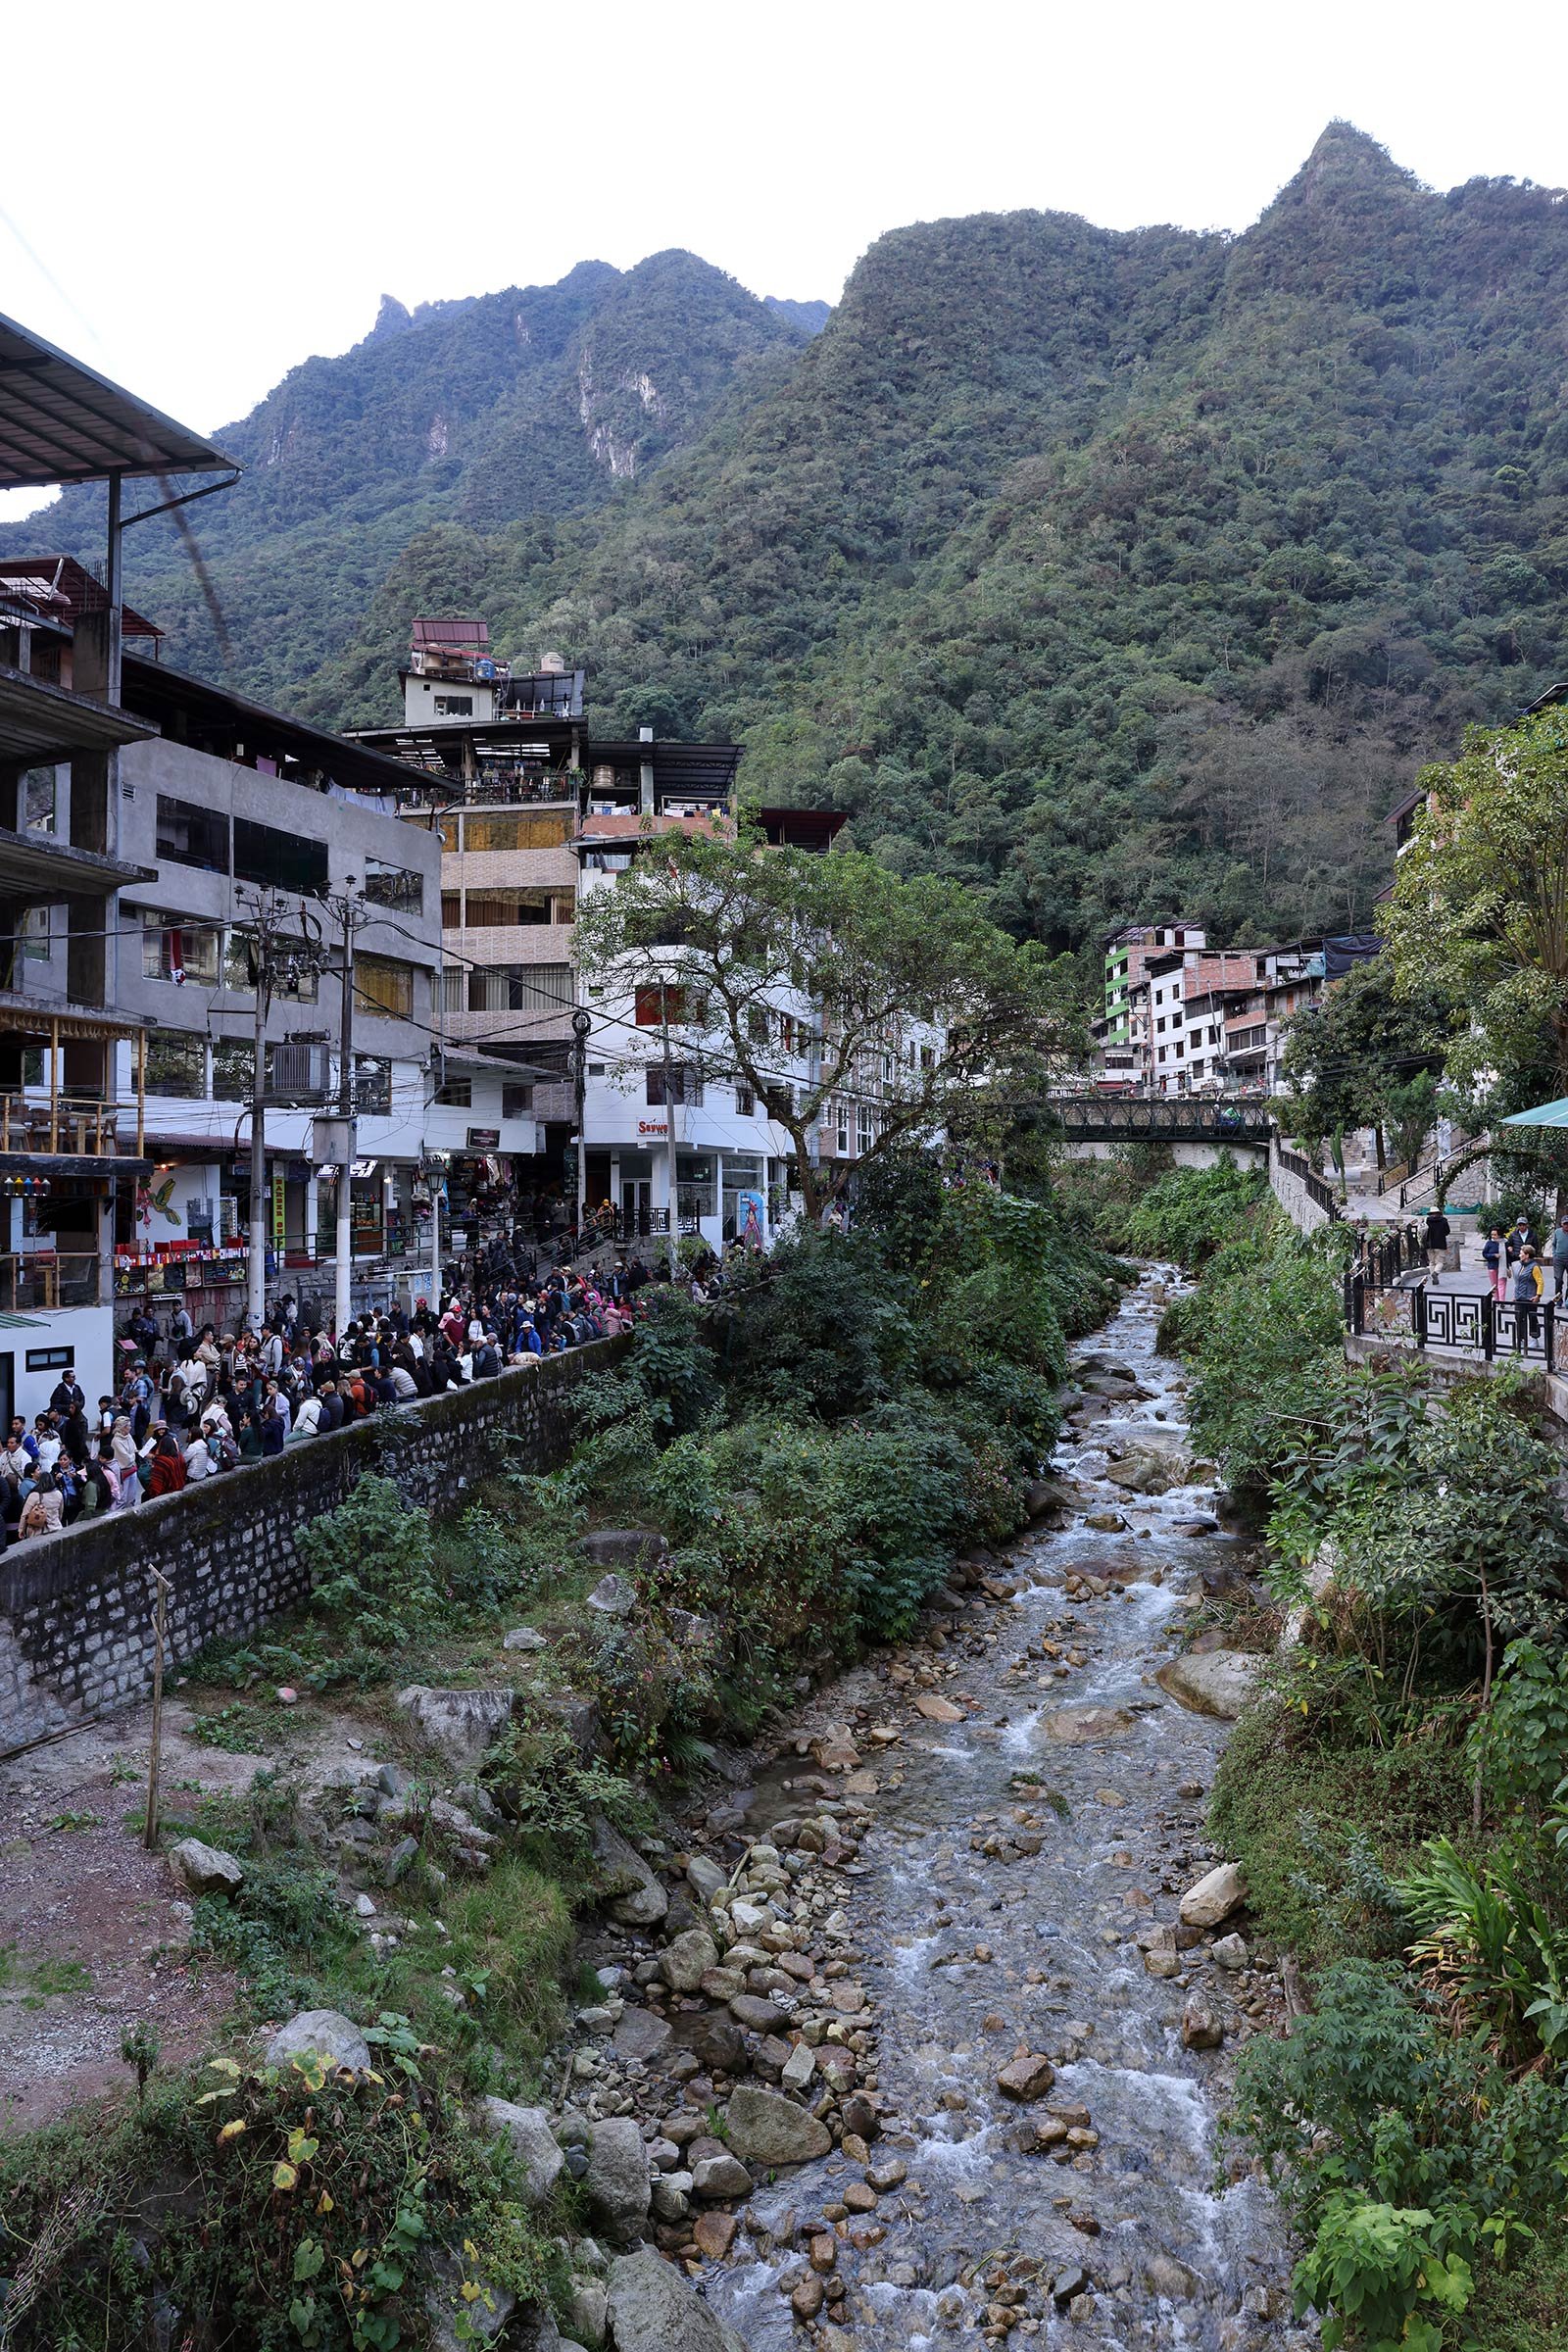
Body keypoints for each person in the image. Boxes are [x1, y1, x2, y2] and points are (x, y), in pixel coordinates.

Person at [1512, 1246, 1545, 1355]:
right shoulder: (1519, 1265)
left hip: (1530, 1297)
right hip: (1520, 1297)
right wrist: (1515, 1295)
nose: (1519, 1255)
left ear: (1527, 1255)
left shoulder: (1534, 1267)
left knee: (1532, 1318)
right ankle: (1521, 1339)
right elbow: (1518, 1283)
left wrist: (1538, 1295)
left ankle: (1534, 1338)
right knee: (1519, 1318)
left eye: (1521, 1253)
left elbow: (1540, 1282)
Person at [1423, 1205, 1450, 1286]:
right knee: (1440, 1262)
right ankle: (1436, 1273)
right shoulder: (1443, 1220)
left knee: (1432, 1262)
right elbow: (1447, 1232)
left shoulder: (1427, 1220)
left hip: (1429, 1244)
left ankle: (1433, 1279)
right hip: (1440, 1244)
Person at [1483, 1226, 1508, 1304]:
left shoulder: (1505, 1242)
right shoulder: (1489, 1243)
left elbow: (1508, 1256)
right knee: (1494, 1285)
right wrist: (1493, 1255)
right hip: (1492, 1266)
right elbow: (1484, 1254)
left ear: (1499, 1235)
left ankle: (1502, 1301)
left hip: (1503, 1267)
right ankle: (1496, 1300)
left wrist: (1508, 1267)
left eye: (1495, 1235)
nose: (1493, 1236)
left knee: (1502, 1284)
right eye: (1492, 1234)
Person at [1551, 1212, 1568, 1307]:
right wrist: (1554, 1254)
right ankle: (1558, 1300)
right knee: (1558, 1280)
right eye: (1565, 1224)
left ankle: (1567, 1300)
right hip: (1559, 1259)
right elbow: (1554, 1244)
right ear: (1562, 1224)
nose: (1566, 1225)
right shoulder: (1557, 1232)